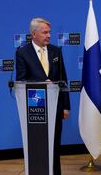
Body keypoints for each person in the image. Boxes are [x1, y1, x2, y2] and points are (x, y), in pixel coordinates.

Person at [16, 18, 70, 175]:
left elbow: (63, 80)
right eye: (45, 32)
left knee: (54, 147)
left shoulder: (56, 51)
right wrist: (41, 82)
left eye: (49, 32)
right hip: (35, 108)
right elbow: (21, 79)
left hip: (56, 107)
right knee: (37, 146)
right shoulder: (22, 53)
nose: (49, 35)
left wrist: (66, 106)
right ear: (33, 34)